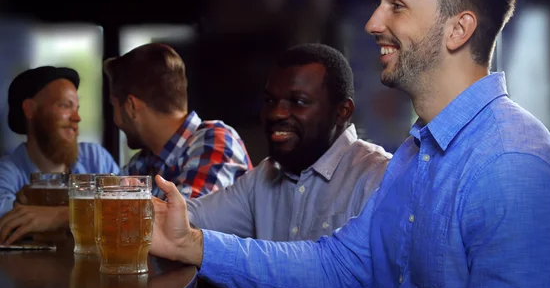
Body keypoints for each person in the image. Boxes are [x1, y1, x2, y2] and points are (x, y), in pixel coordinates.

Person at [148, 0, 550, 288]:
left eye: (396, 4)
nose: (373, 23)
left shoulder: (515, 166)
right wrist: (192, 245)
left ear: (458, 29)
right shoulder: (416, 156)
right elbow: (339, 267)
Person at [184, 43, 391, 241]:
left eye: (299, 102)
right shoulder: (261, 179)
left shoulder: (377, 177)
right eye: (270, 101)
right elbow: (190, 218)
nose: (276, 113)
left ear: (342, 112)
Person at [104, 43, 252, 200]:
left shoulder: (215, 143)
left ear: (131, 106)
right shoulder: (145, 162)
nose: (115, 120)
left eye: (114, 106)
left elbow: (183, 221)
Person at [0, 66, 119, 244]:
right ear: (30, 109)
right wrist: (90, 213)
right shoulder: (7, 172)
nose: (77, 117)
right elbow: (8, 223)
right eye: (65, 106)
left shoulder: (97, 158)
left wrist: (62, 216)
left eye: (77, 108)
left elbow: (124, 210)